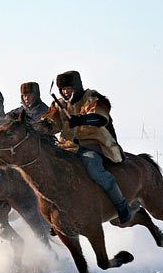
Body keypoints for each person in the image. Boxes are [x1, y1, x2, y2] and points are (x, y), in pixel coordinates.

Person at [40, 70, 132, 224]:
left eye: (68, 88)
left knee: (95, 170)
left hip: (93, 145)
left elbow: (101, 118)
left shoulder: (93, 98)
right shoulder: (59, 104)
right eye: (62, 89)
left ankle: (122, 205)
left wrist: (81, 119)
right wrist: (44, 125)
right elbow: (53, 123)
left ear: (77, 87)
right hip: (67, 147)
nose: (65, 92)